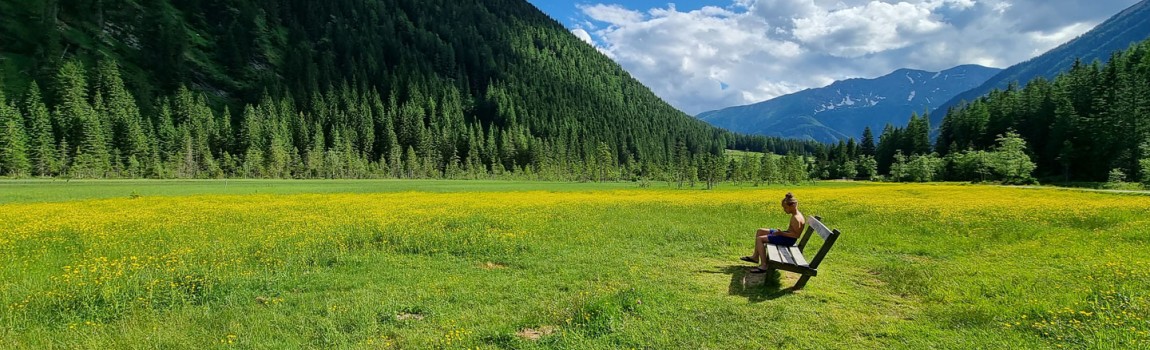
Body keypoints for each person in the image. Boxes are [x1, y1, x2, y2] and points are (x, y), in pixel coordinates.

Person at [740, 192, 805, 273]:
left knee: (760, 239)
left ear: (792, 205)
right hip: (786, 235)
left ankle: (764, 265)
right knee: (760, 231)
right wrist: (781, 233)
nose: (784, 210)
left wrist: (781, 234)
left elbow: (796, 235)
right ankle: (755, 257)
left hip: (788, 240)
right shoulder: (796, 214)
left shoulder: (796, 219)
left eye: (785, 208)